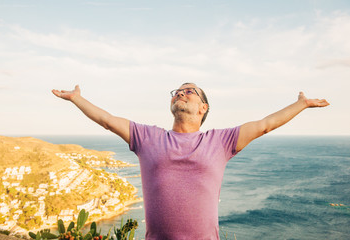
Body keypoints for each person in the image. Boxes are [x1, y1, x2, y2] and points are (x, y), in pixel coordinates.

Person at [52, 83, 329, 239]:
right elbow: (107, 121)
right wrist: (77, 99)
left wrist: (301, 104)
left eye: (189, 91)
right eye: (177, 91)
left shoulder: (220, 142)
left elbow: (266, 124)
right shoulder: (147, 137)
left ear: (202, 108)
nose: (180, 93)